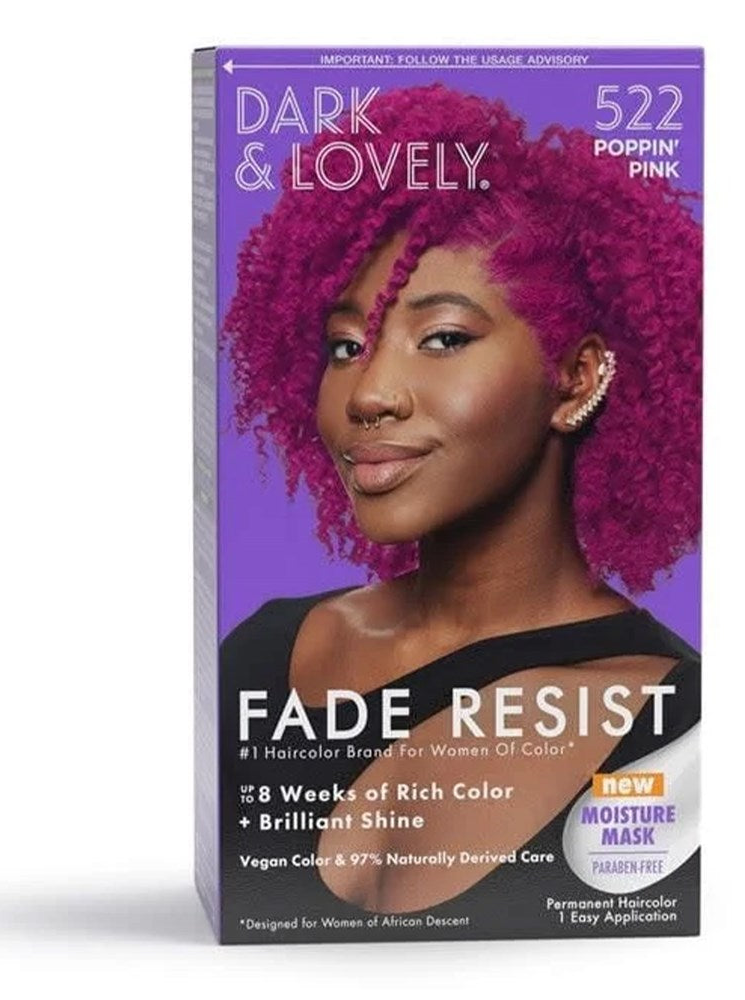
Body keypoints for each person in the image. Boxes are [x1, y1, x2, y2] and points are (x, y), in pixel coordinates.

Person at [220, 82, 701, 916]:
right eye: (345, 347)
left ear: (575, 377)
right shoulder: (265, 652)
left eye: (442, 338)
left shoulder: (678, 722)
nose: (369, 394)